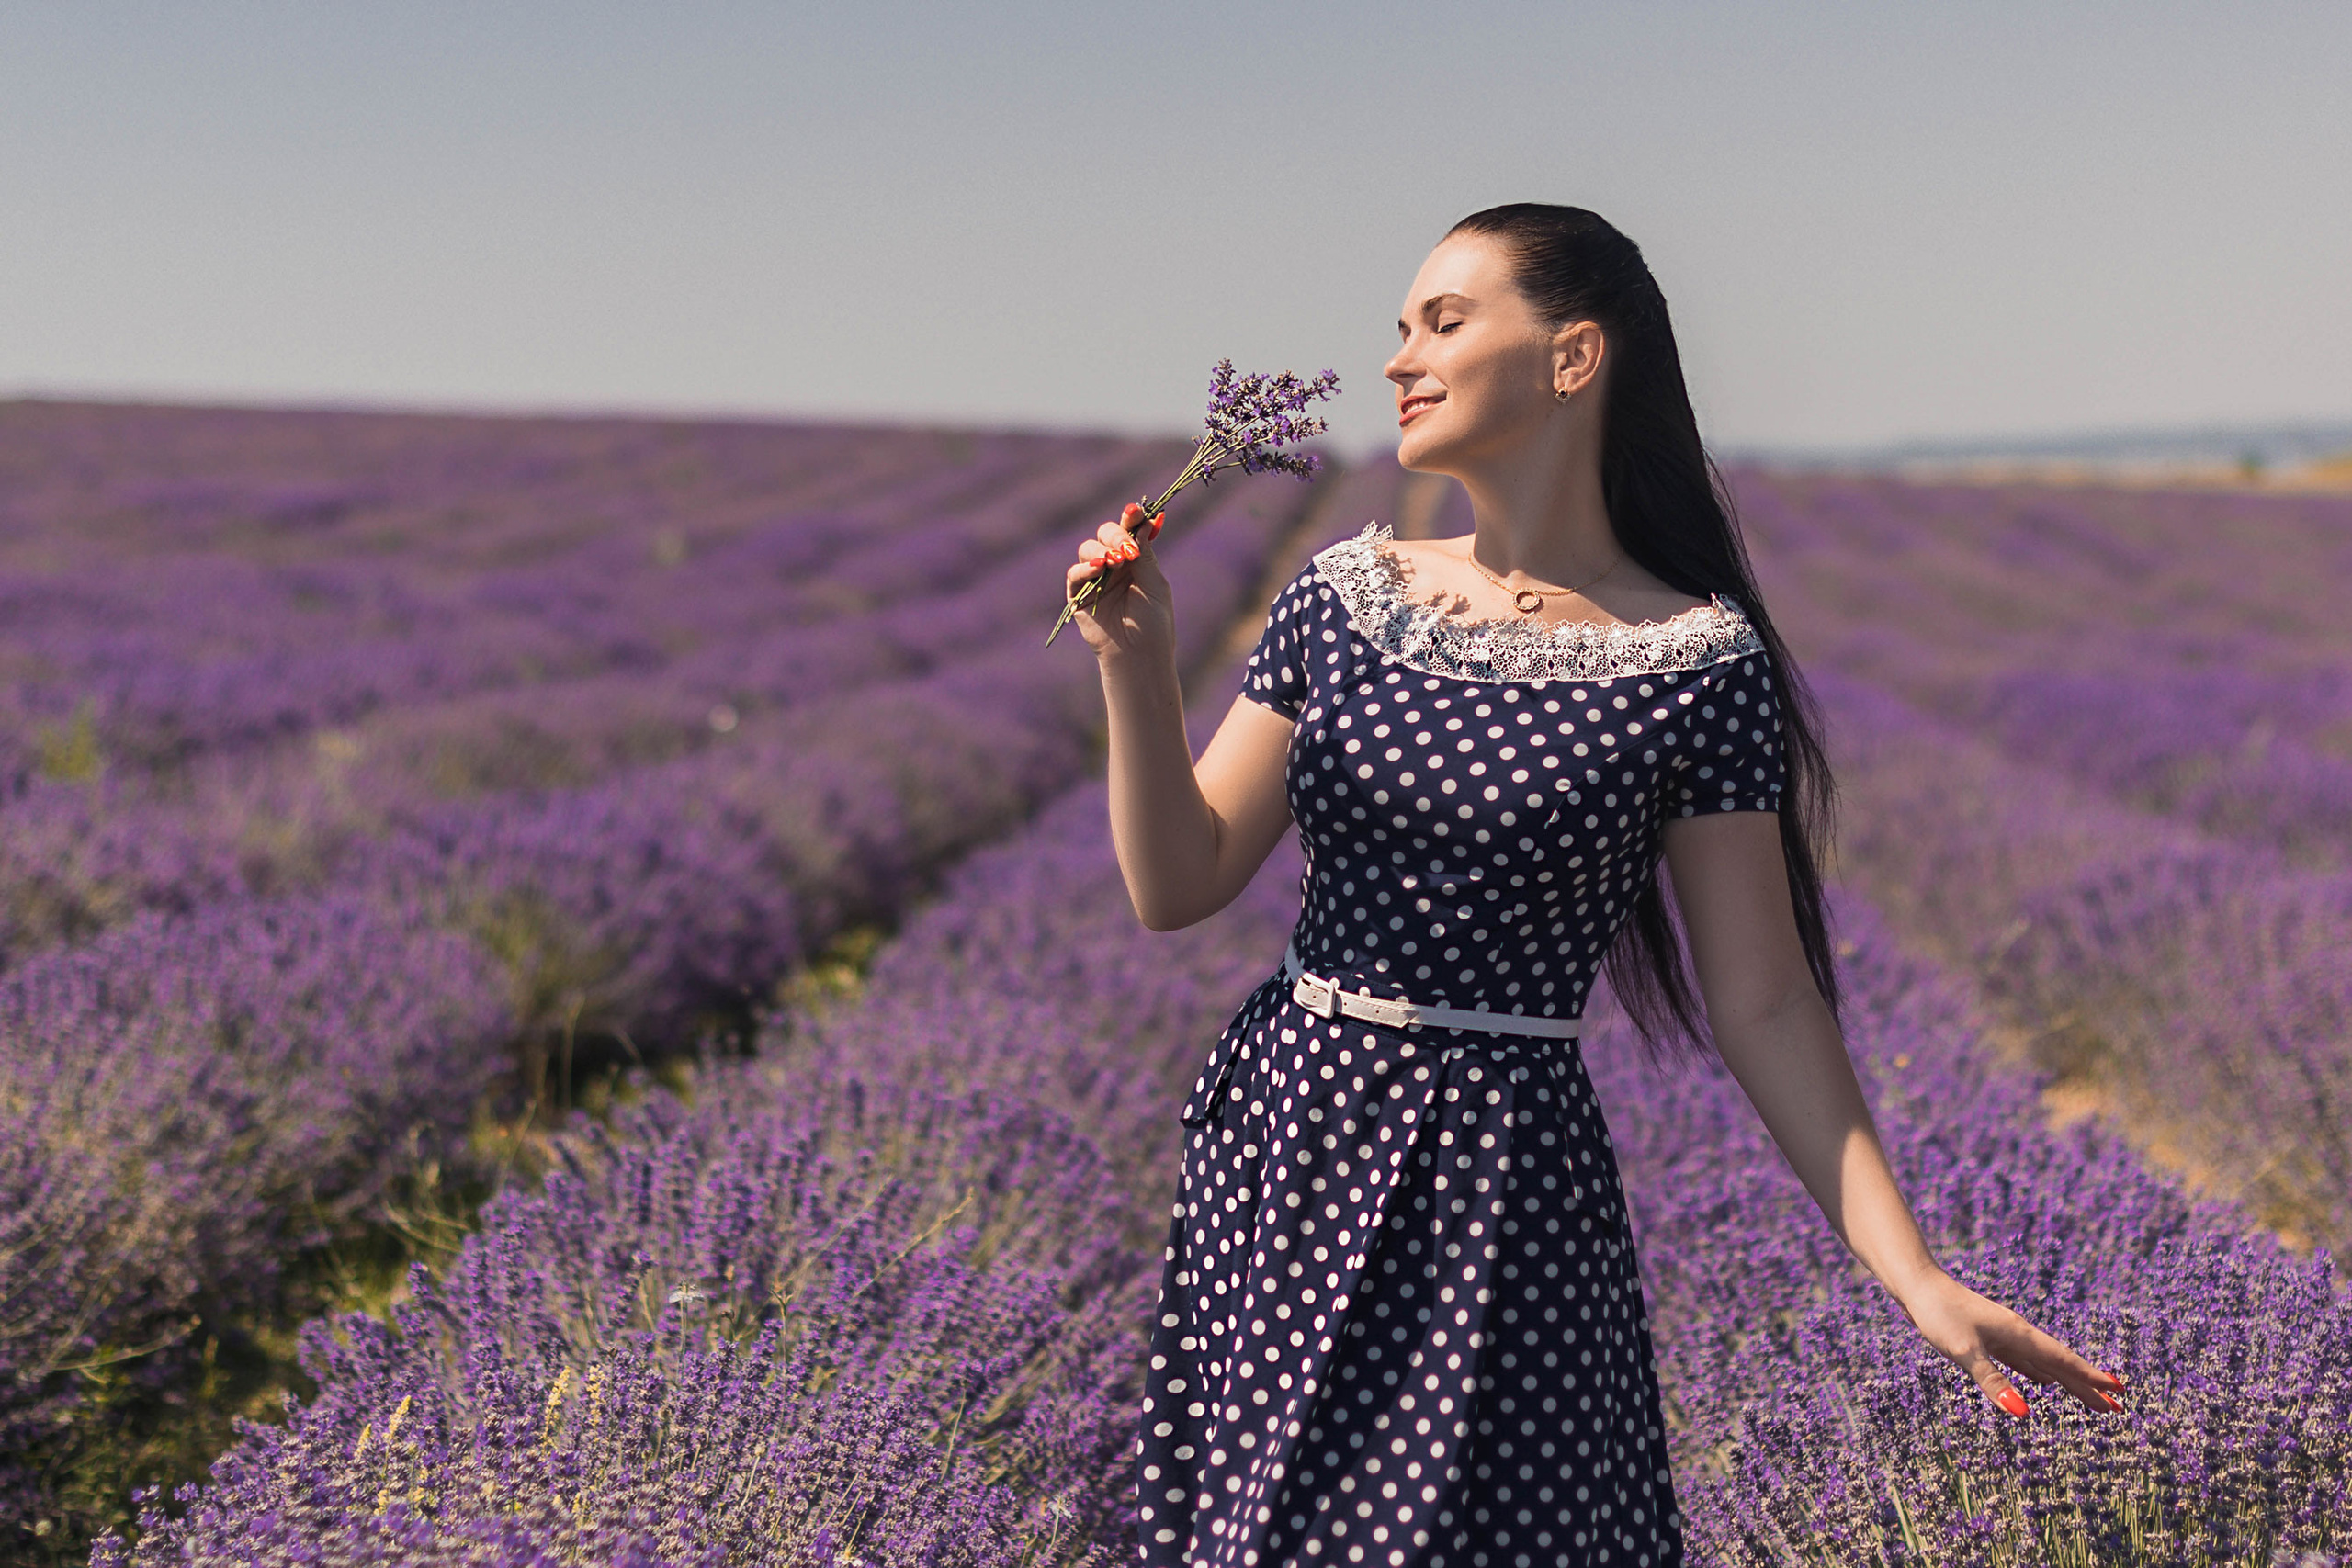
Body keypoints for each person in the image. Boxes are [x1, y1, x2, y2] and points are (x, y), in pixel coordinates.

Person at [1063, 203, 2126, 1568]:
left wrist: (1911, 1273)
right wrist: (1135, 669)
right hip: (1295, 1139)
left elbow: (1768, 1004)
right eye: (1399, 330)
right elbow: (1179, 878)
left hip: (1503, 1186)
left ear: (1574, 358)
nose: (1400, 358)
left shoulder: (1692, 663)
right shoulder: (1341, 601)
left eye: (1445, 322)